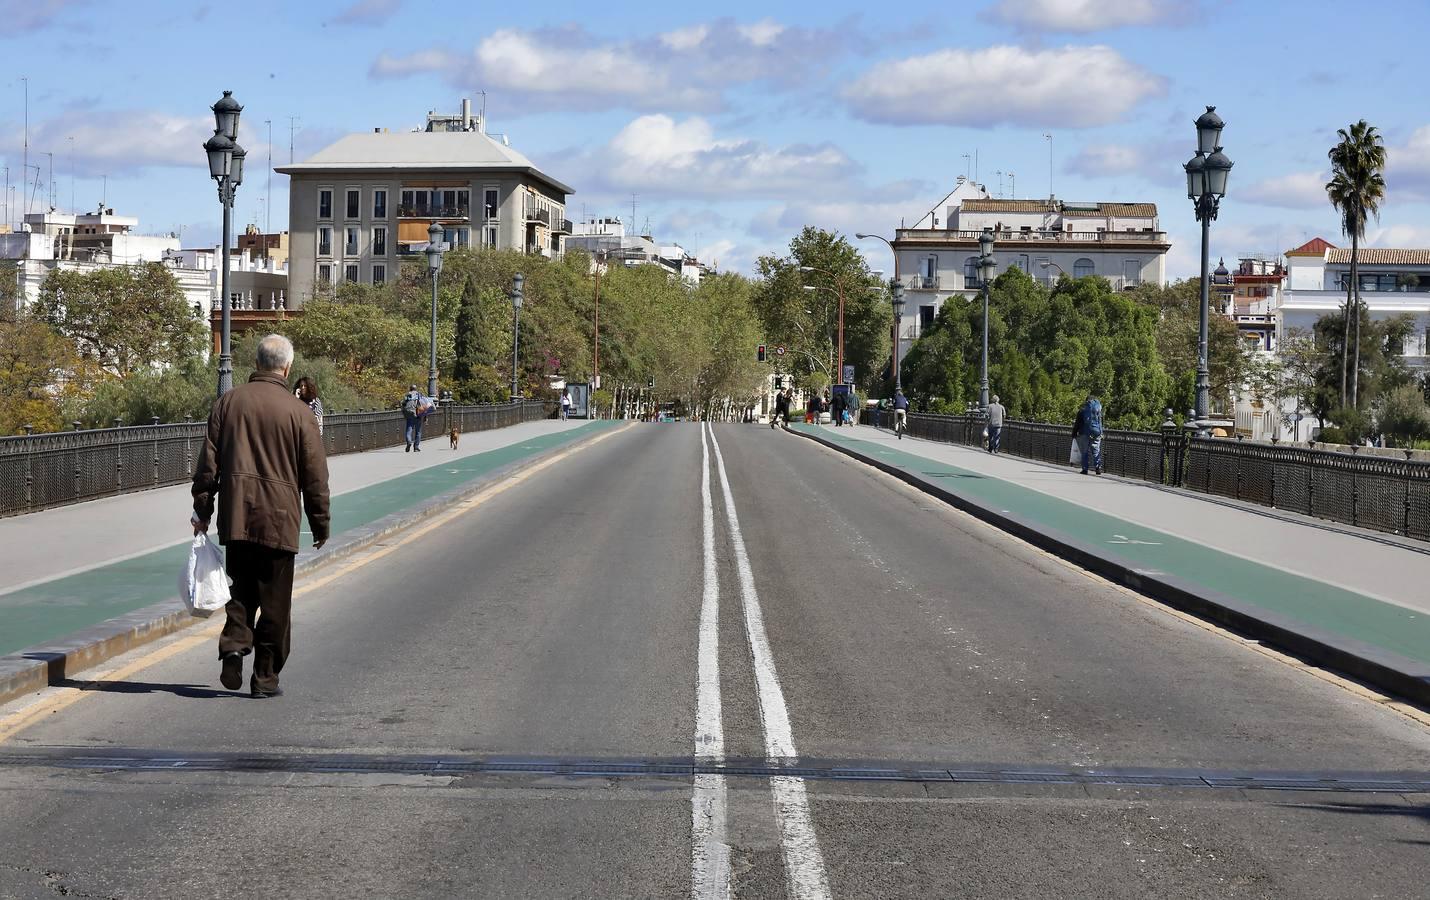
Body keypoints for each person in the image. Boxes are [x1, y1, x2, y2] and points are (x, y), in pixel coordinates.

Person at [192, 334, 330, 699]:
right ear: (286, 368)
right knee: (275, 604)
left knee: (239, 591)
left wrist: (202, 509)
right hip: (280, 520)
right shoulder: (300, 413)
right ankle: (264, 679)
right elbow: (315, 476)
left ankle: (234, 646)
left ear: (257, 363)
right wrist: (320, 522)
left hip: (237, 516)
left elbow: (209, 465)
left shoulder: (228, 403)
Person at [1073, 393, 1104, 475]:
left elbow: (1077, 423)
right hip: (1097, 432)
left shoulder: (1082, 410)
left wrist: (1074, 433)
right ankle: (1098, 468)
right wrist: (1101, 432)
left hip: (1085, 433)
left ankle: (1085, 469)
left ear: (1086, 401)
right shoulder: (1098, 409)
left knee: (1085, 451)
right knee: (1096, 451)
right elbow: (1101, 421)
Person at [401, 384, 423, 452]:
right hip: (417, 414)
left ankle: (409, 442)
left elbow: (403, 404)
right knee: (418, 431)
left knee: (409, 430)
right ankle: (416, 447)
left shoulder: (407, 395)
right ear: (415, 389)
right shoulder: (419, 395)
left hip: (409, 414)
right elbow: (423, 404)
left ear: (410, 389)